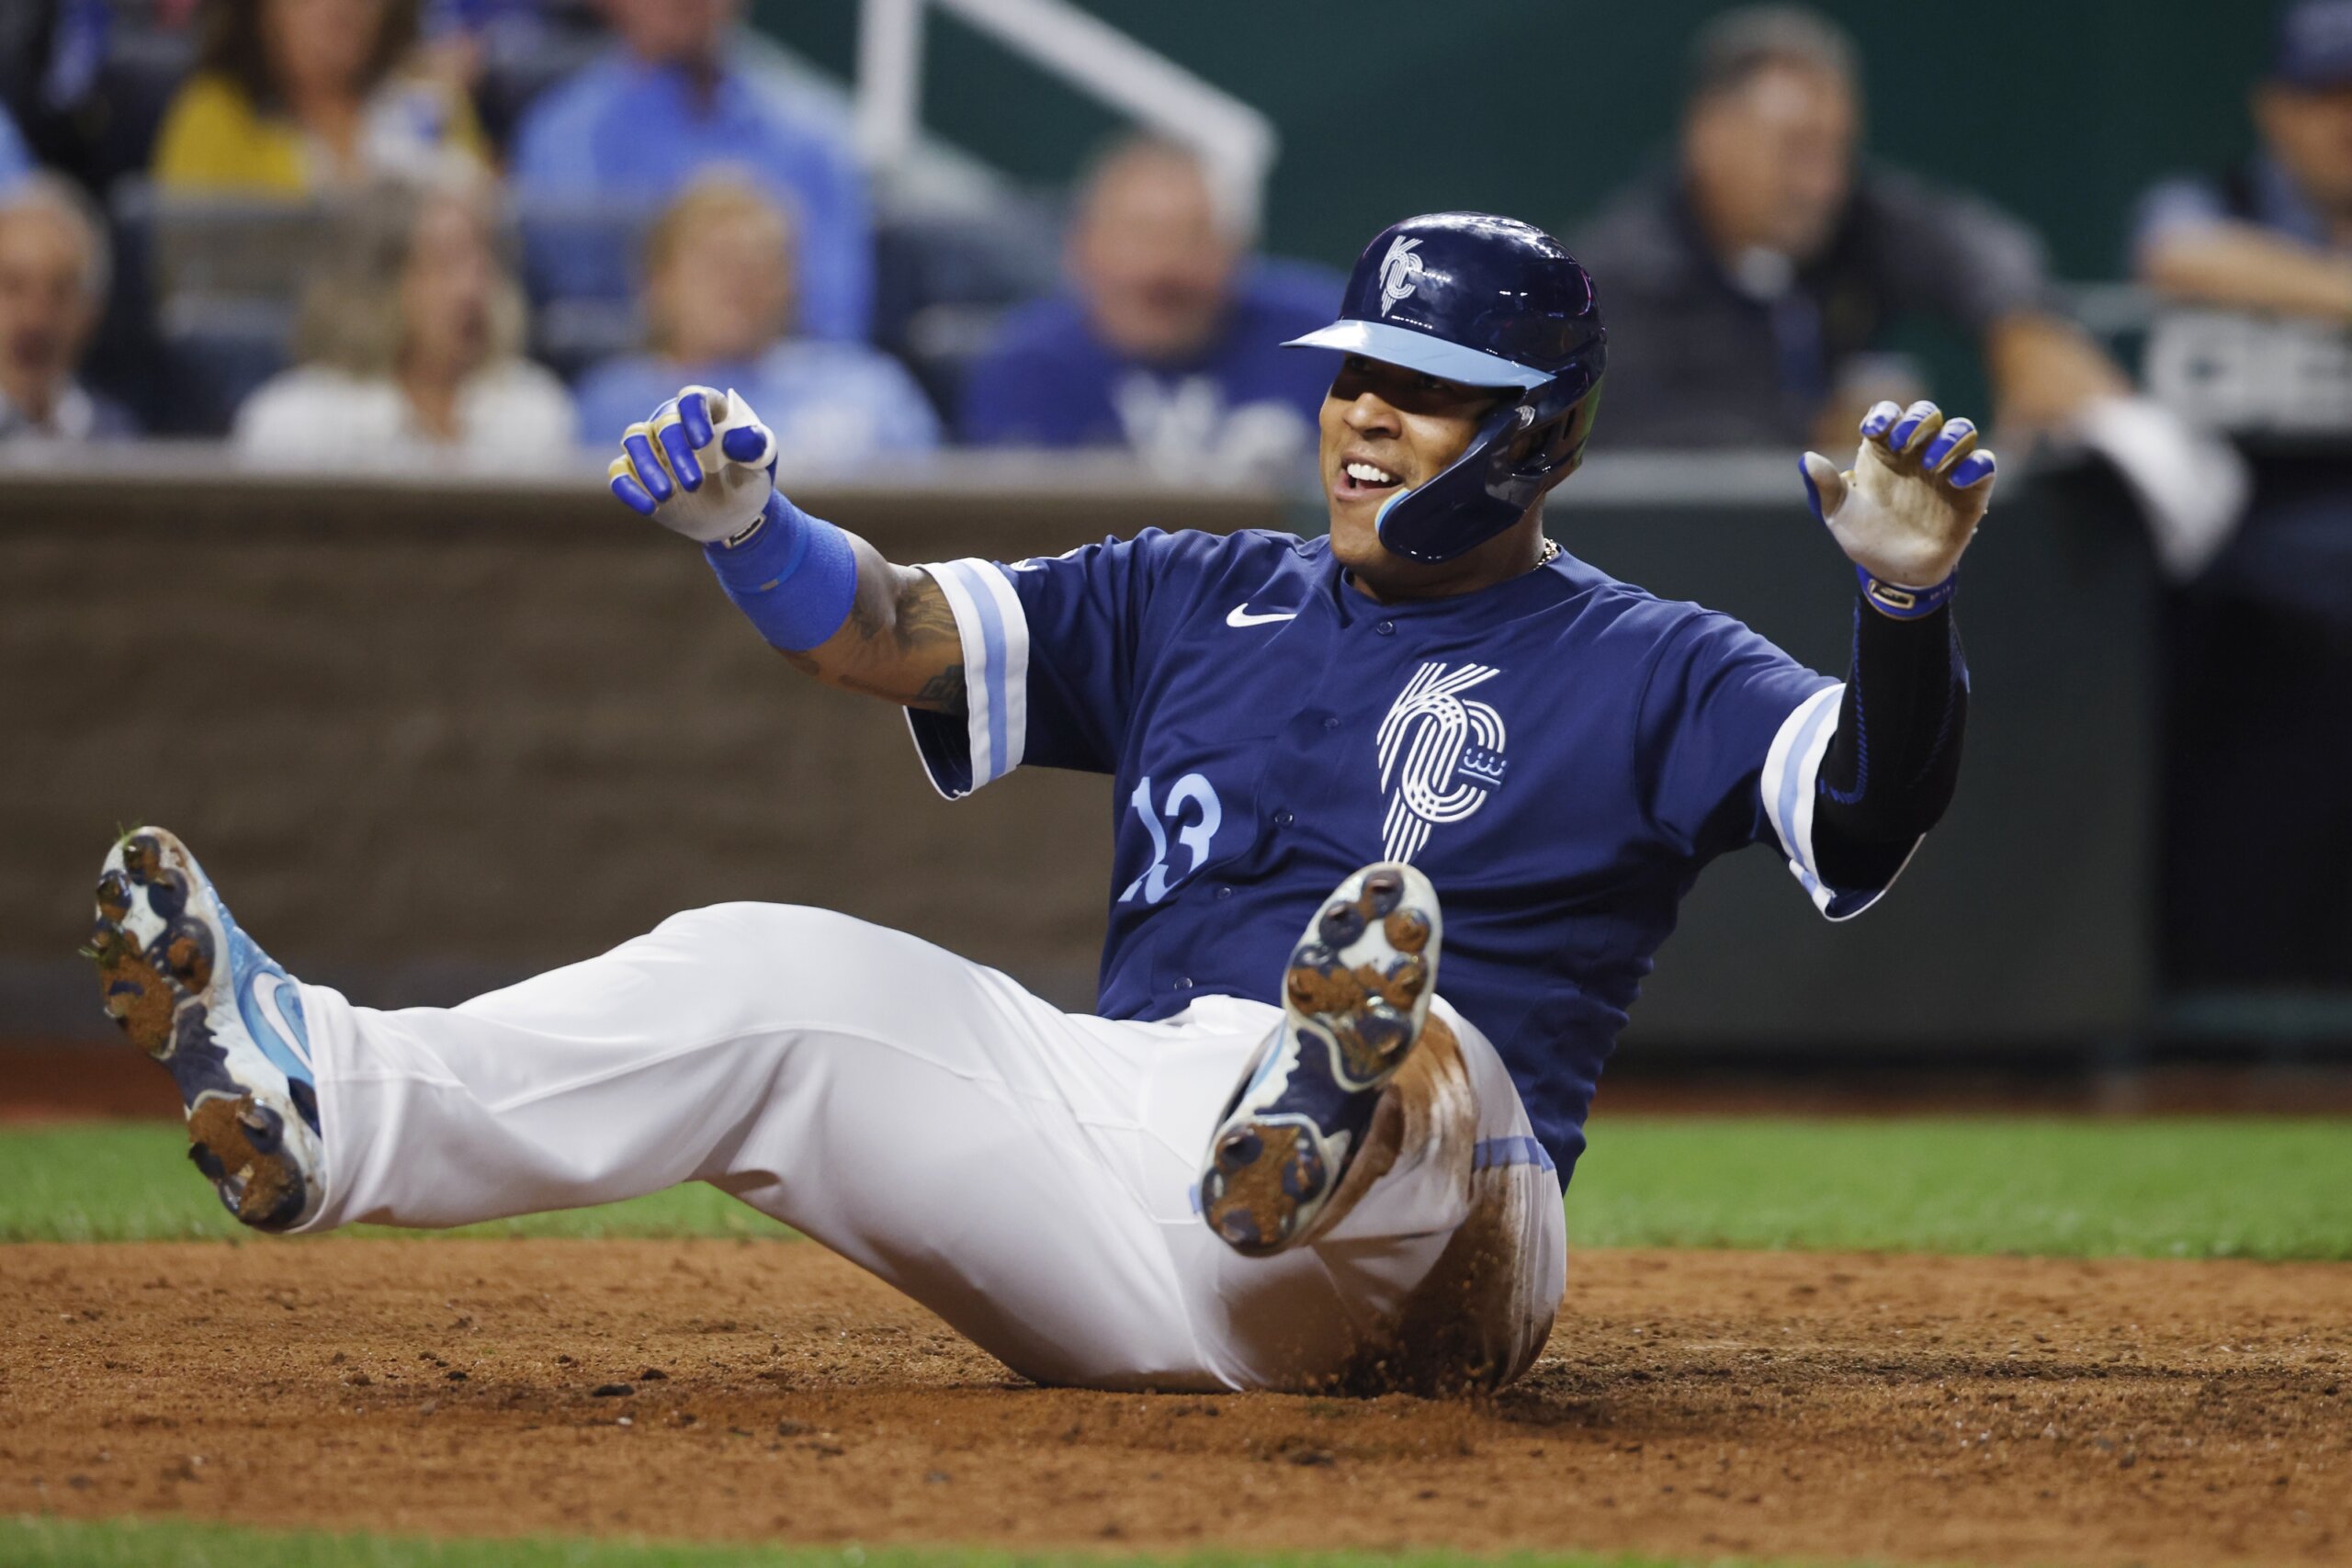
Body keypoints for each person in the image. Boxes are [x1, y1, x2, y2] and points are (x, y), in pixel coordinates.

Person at [92, 212, 1996, 1394]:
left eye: (1419, 391)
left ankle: (1333, 1088)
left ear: (1539, 431)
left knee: (1429, 1067)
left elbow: (1861, 807)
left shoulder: (1647, 657)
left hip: (1442, 1242)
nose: (1358, 416)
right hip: (1125, 1159)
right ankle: (319, 1093)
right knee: (760, 967)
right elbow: (901, 630)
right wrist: (756, 533)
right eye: (1352, 374)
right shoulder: (1198, 587)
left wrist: (1901, 605)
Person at [1573, 5, 2126, 451]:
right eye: (1795, 150)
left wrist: (2023, 325)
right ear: (1710, 136)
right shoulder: (1613, 281)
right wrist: (1820, 441)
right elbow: (1644, 458)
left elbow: (1968, 243)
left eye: (1836, 151)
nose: (1822, 185)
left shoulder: (1855, 220)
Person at [2133, 0, 2352, 988]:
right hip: (2251, 619)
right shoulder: (2217, 200)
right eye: (2322, 95)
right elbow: (2173, 252)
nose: (2342, 119)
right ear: (2277, 108)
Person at [961, 135, 1338, 481]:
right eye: (1139, 238)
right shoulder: (1029, 370)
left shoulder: (1322, 345)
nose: (1162, 269)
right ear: (1082, 249)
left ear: (1235, 250)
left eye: (1191, 239)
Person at [509, 0, 871, 344]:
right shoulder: (563, 135)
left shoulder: (812, 140)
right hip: (638, 389)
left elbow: (835, 322)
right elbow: (573, 313)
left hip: (789, 386)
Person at [573, 177, 936, 464]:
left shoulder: (872, 390)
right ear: (658, 283)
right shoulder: (612, 405)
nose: (741, 282)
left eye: (763, 263)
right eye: (718, 262)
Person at [233, 178, 573, 462]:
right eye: (444, 266)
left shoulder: (533, 410)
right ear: (374, 284)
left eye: (480, 266)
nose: (471, 290)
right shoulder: (296, 424)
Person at [153, 0, 488, 196]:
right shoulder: (213, 114)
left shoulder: (434, 101)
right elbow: (191, 281)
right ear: (261, 11)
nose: (341, 9)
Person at [0, 174, 139, 440]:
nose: (35, 318)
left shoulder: (121, 445)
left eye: (59, 292)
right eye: (13, 287)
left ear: (91, 313)